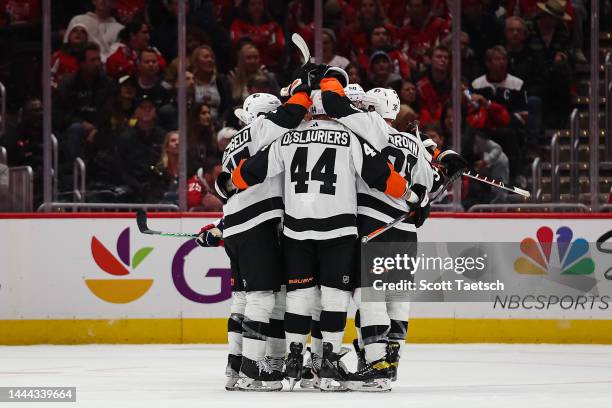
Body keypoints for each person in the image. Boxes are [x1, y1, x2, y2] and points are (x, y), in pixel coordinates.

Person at [229, 69, 424, 391]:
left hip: (295, 231)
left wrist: (230, 182)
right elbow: (381, 177)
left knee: (299, 296)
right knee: (334, 298)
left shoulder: (287, 137)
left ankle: (294, 360)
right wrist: (413, 196)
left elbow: (249, 174)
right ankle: (327, 365)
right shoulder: (351, 137)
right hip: (339, 229)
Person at [210, 89, 311, 392]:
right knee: (263, 297)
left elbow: (227, 190)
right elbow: (289, 117)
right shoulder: (264, 132)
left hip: (237, 228)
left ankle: (237, 365)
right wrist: (304, 90)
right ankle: (253, 371)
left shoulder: (235, 142)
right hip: (258, 225)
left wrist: (219, 227)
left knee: (245, 297)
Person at [53, 42, 115, 175]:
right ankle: (76, 174)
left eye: (99, 59)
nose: (98, 63)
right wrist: (81, 123)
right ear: (81, 64)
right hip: (72, 129)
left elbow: (108, 112)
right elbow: (59, 114)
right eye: (92, 60)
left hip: (100, 128)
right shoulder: (68, 84)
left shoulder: (108, 83)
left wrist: (96, 128)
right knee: (76, 130)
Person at [115, 95, 167, 202]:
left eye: (150, 108)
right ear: (135, 112)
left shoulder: (163, 136)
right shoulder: (125, 138)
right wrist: (135, 185)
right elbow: (121, 167)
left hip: (157, 187)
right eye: (143, 107)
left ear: (155, 112)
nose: (147, 111)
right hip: (131, 187)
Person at [229, 0, 286, 72]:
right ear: (246, 7)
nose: (257, 7)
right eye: (253, 4)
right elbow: (237, 43)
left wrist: (251, 40)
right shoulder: (237, 24)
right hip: (244, 67)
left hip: (269, 68)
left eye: (260, 4)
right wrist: (264, 39)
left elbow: (279, 47)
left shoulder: (273, 26)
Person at [190, 45, 233, 123]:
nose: (210, 60)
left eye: (212, 57)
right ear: (196, 61)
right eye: (206, 57)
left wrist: (219, 123)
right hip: (194, 125)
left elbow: (227, 107)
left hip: (218, 125)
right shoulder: (190, 81)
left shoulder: (221, 82)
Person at [416, 45, 451, 124]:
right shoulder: (419, 80)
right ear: (430, 60)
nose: (443, 60)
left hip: (449, 120)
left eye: (446, 58)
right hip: (426, 120)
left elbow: (469, 94)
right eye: (439, 57)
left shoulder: (456, 81)